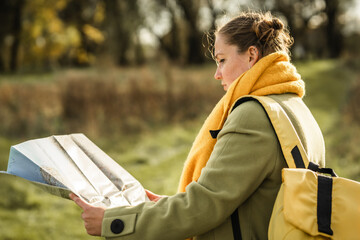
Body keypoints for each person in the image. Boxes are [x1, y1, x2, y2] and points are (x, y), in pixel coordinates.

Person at [70, 11, 325, 240]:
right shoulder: (297, 107)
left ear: (251, 55)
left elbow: (204, 206)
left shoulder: (254, 115)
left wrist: (113, 222)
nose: (217, 74)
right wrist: (170, 205)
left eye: (222, 60)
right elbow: (238, 196)